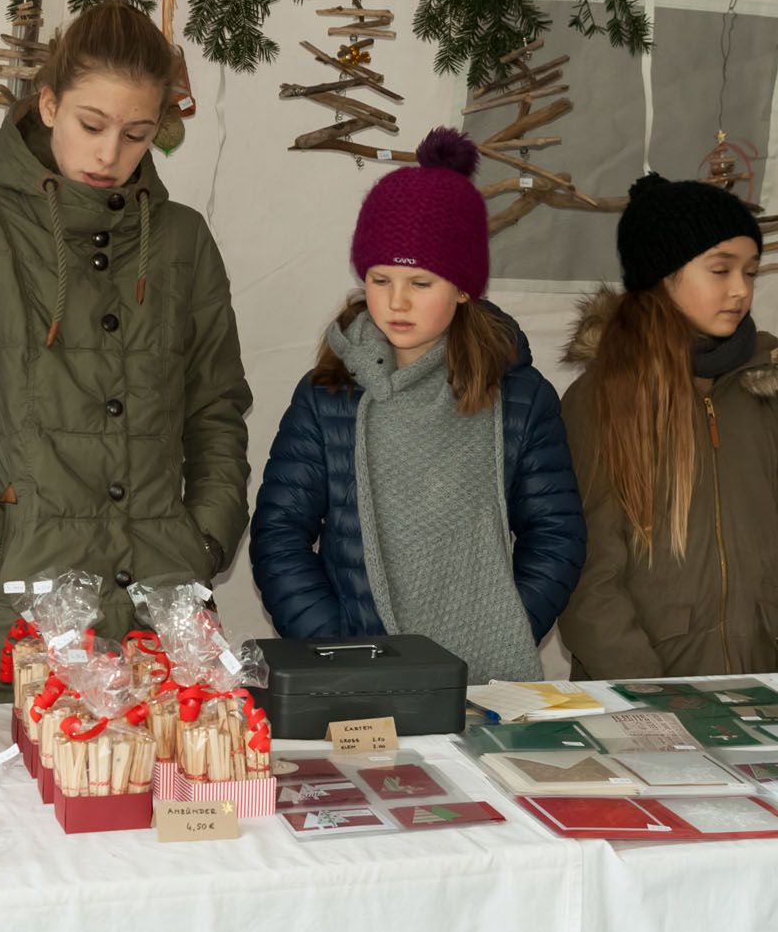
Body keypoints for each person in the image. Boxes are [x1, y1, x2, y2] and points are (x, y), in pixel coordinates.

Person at [0, 0, 250, 697]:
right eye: (92, 125)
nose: (110, 155)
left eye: (137, 134)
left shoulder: (183, 242)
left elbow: (217, 412)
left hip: (161, 627)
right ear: (48, 104)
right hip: (13, 626)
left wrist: (204, 540)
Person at [249, 128, 583, 683]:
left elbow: (556, 535)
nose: (396, 302)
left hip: (486, 679)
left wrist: (504, 627)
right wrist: (337, 646)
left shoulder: (520, 398)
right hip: (354, 673)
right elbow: (280, 535)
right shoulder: (327, 395)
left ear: (463, 288)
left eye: (421, 282)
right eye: (380, 279)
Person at [557, 172, 778, 678]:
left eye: (750, 272)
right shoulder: (604, 397)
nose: (740, 290)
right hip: (643, 688)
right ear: (662, 275)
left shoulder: (765, 389)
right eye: (720, 270)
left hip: (762, 682)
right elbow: (587, 574)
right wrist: (654, 694)